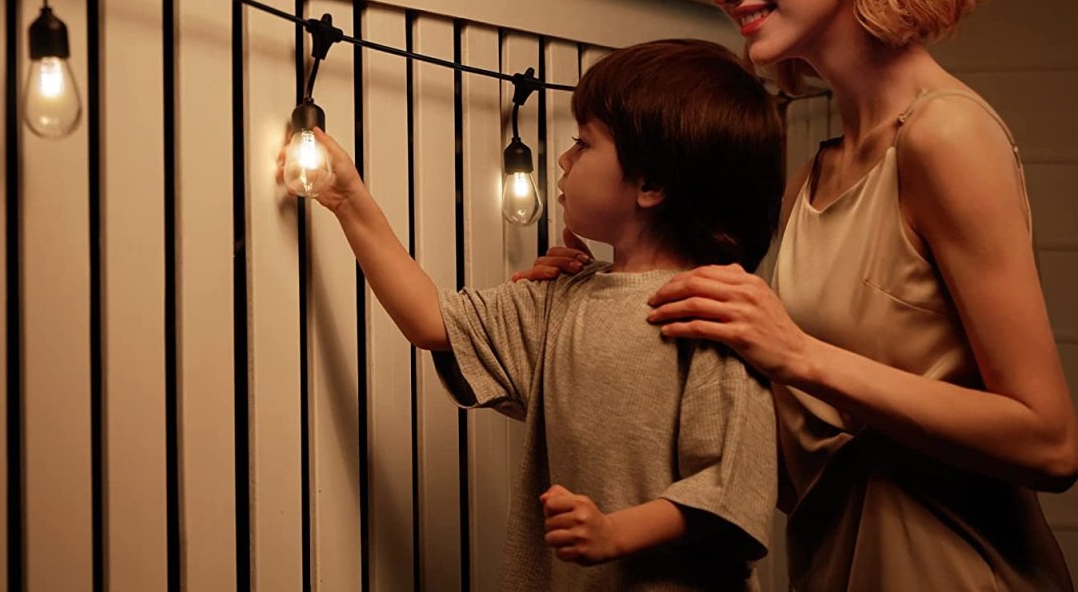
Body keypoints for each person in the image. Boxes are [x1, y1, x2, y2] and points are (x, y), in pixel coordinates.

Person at [521, 0, 1078, 592]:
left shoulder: (945, 136)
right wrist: (597, 306)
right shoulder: (810, 179)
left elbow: (1051, 444)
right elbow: (764, 452)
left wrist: (802, 354)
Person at [294, 39, 784, 591]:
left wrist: (615, 533)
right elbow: (433, 321)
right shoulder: (563, 296)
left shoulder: (716, 312)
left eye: (583, 142)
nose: (563, 158)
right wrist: (349, 199)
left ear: (650, 184)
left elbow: (732, 486)